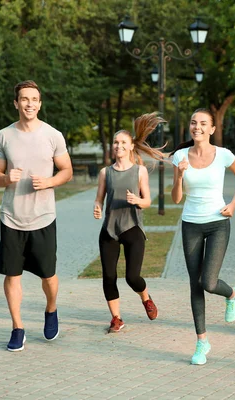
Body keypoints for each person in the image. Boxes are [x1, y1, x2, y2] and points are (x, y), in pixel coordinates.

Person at [0, 80, 73, 352]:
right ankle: (17, 328)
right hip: (11, 218)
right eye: (24, 99)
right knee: (12, 275)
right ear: (16, 103)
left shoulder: (53, 135)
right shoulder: (3, 135)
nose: (29, 103)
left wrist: (49, 182)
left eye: (34, 99)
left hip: (43, 218)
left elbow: (67, 171)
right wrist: (5, 178)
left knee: (48, 275)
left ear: (40, 103)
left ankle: (51, 309)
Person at [170, 108, 235, 365]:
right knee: (195, 284)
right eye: (194, 122)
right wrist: (180, 175)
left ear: (212, 129)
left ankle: (232, 294)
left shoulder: (224, 155)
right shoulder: (180, 156)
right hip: (190, 223)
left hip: (217, 223)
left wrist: (234, 204)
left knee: (209, 282)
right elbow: (176, 198)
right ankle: (202, 342)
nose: (197, 127)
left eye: (203, 123)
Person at [93, 113, 165, 333]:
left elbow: (148, 201)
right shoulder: (105, 172)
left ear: (131, 145)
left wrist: (138, 201)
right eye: (116, 142)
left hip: (132, 228)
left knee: (132, 277)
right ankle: (116, 318)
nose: (118, 145)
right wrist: (97, 207)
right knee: (109, 276)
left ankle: (145, 298)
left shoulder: (139, 171)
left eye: (123, 142)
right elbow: (99, 198)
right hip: (109, 230)